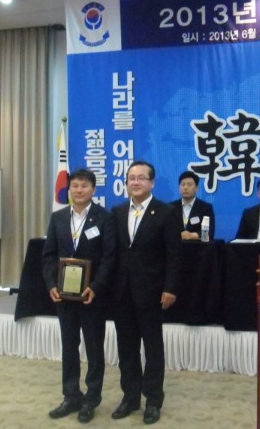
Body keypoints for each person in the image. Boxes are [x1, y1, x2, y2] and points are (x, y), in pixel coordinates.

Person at [111, 160, 182, 425]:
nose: (136, 182)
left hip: (152, 292)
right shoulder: (117, 212)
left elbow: (175, 255)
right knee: (126, 348)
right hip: (121, 292)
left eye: (141, 178)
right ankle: (130, 398)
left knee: (153, 349)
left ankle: (153, 400)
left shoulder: (166, 212)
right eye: (131, 178)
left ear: (152, 183)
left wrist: (170, 288)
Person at [42, 168, 116, 424]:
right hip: (64, 297)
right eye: (75, 186)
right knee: (69, 347)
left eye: (84, 186)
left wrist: (95, 286)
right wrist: (51, 284)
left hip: (91, 296)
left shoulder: (104, 218)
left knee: (94, 349)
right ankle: (71, 396)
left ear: (93, 189)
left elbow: (109, 258)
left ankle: (91, 400)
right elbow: (48, 255)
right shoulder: (58, 217)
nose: (79, 190)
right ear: (69, 189)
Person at [170, 171, 215, 241]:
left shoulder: (205, 208)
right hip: (175, 246)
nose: (185, 187)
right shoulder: (171, 207)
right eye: (183, 184)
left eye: (189, 184)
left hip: (197, 246)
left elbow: (210, 232)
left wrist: (193, 235)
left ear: (197, 188)